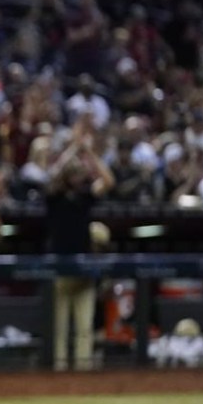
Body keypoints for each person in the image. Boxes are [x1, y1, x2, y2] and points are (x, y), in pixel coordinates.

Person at [45, 129, 115, 371]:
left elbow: (108, 181)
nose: (76, 177)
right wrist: (73, 149)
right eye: (72, 173)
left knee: (84, 326)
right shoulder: (55, 196)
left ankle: (83, 368)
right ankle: (60, 366)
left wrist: (89, 153)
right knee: (61, 325)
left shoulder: (85, 196)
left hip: (84, 266)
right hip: (60, 266)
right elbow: (52, 176)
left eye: (79, 173)